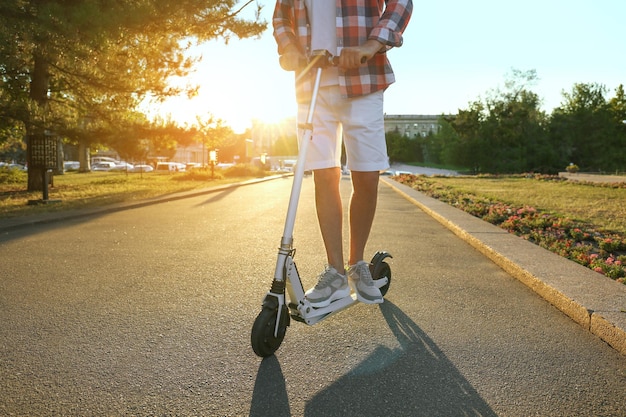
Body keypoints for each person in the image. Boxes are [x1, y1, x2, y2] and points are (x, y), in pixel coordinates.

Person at [273, 0, 412, 307]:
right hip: (312, 82)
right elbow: (282, 17)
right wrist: (289, 48)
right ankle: (335, 273)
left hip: (362, 78)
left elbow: (401, 3)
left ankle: (357, 263)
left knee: (366, 176)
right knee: (324, 175)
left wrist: (371, 44)